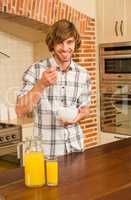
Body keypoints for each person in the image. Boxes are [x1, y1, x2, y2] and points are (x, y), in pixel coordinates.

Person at [16, 19, 91, 157]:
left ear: (75, 43)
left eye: (69, 42)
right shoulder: (36, 70)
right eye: (59, 42)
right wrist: (41, 84)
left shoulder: (83, 74)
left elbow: (85, 109)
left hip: (75, 148)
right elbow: (20, 110)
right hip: (47, 152)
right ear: (52, 44)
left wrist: (78, 117)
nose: (64, 48)